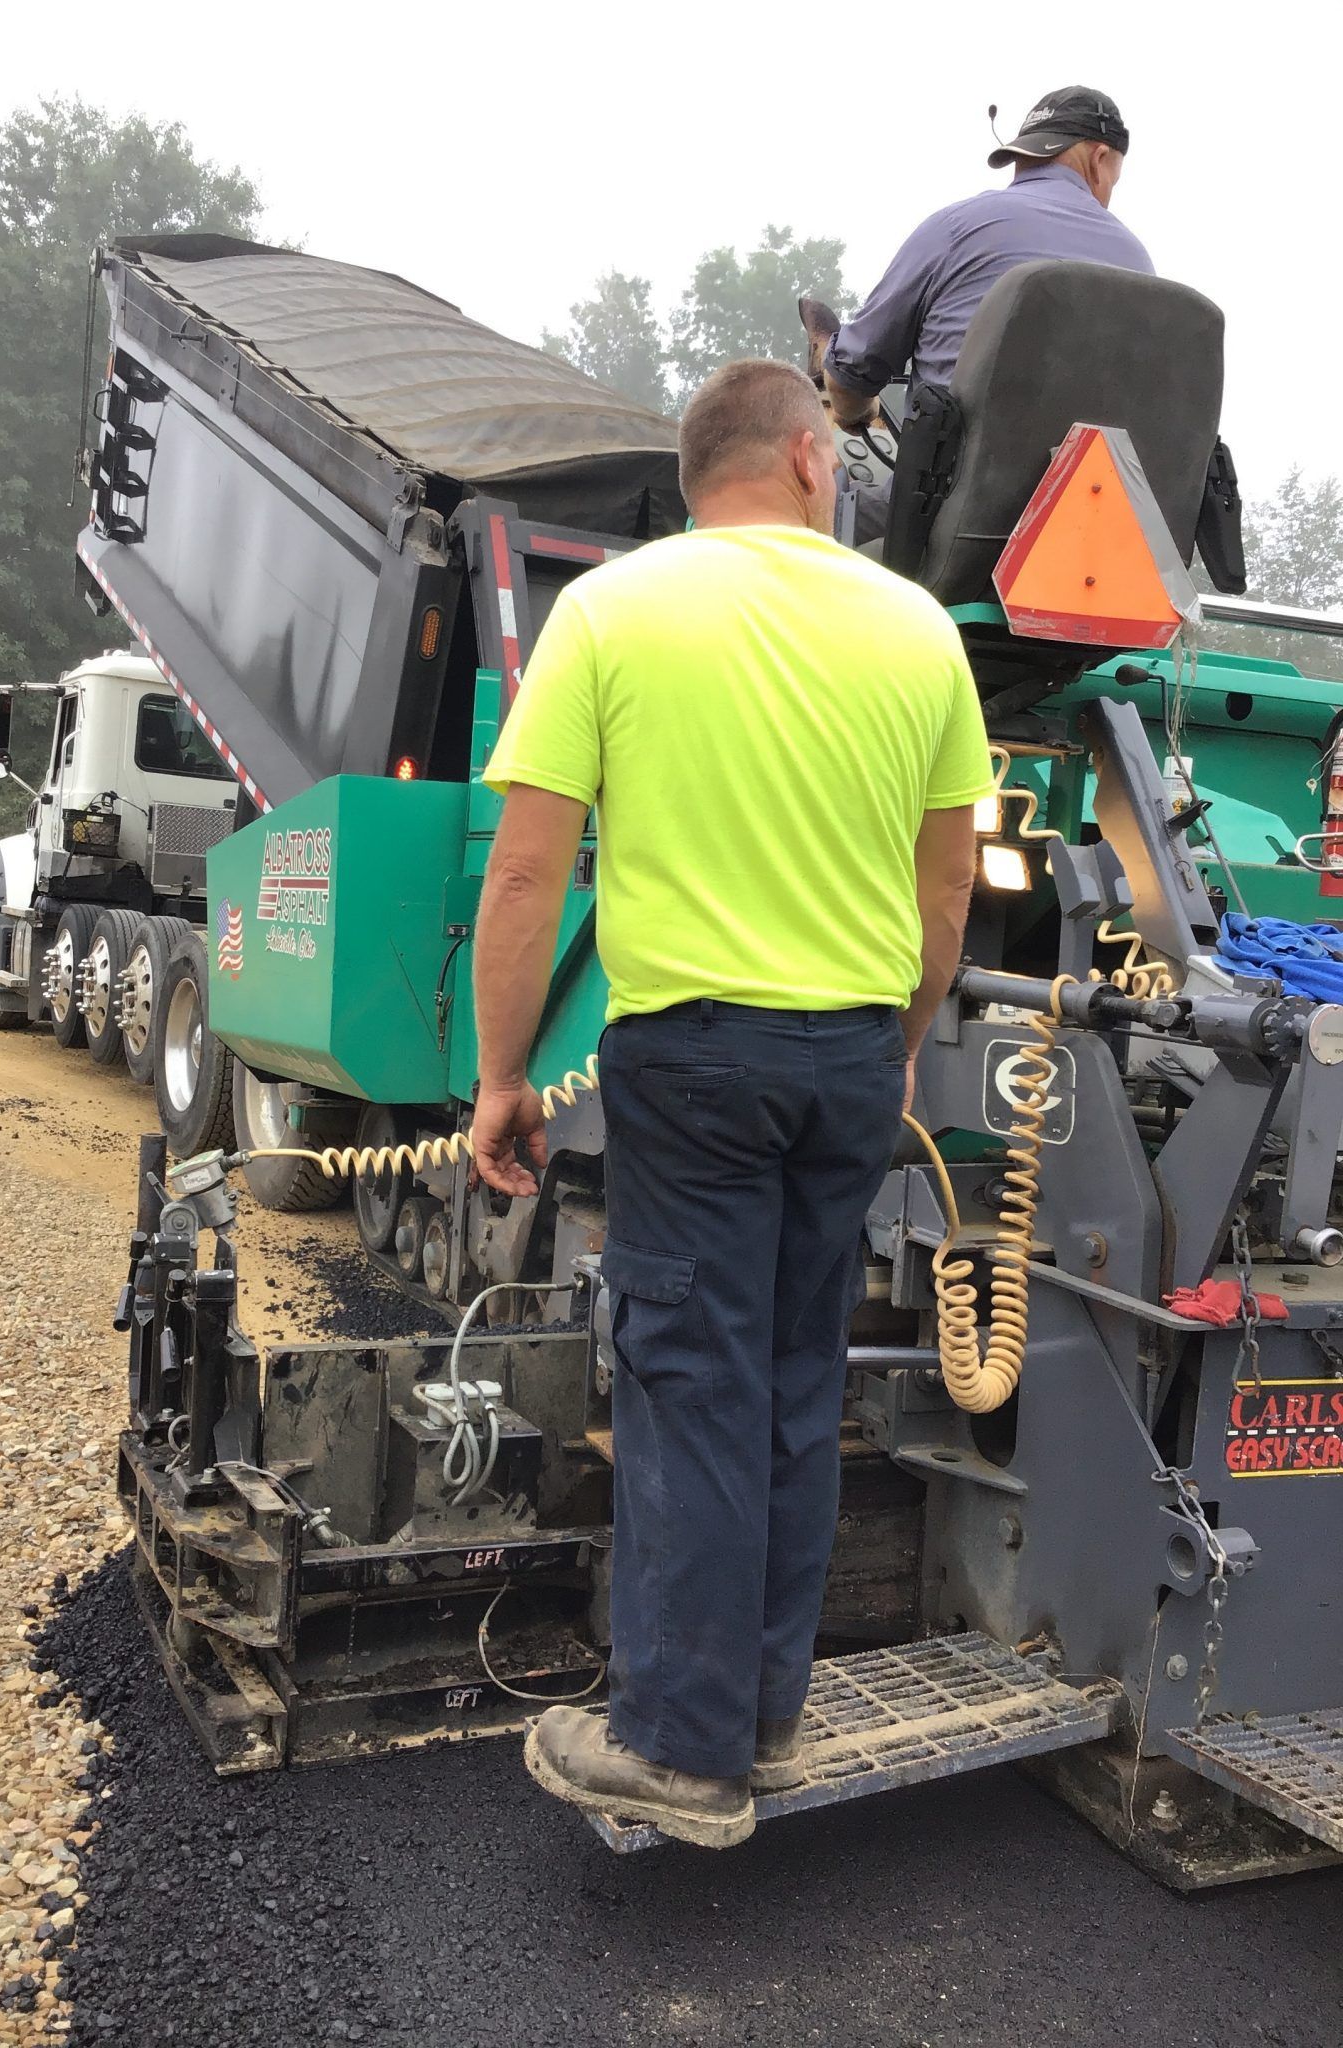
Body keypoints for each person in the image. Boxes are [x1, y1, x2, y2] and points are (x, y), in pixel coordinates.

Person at [467, 359, 994, 1847]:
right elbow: (942, 884)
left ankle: (680, 1750)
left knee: (691, 1380)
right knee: (789, 1383)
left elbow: (525, 871)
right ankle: (758, 1706)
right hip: (844, 1059)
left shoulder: (616, 613)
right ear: (814, 461)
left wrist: (505, 1076)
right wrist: (895, 1039)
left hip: (693, 1059)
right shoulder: (914, 629)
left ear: (700, 478)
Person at [812, 87, 1154, 428]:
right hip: (1103, 479)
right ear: (1099, 161)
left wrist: (856, 412)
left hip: (961, 483)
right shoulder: (1140, 266)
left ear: (1023, 155)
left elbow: (848, 376)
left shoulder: (954, 228)